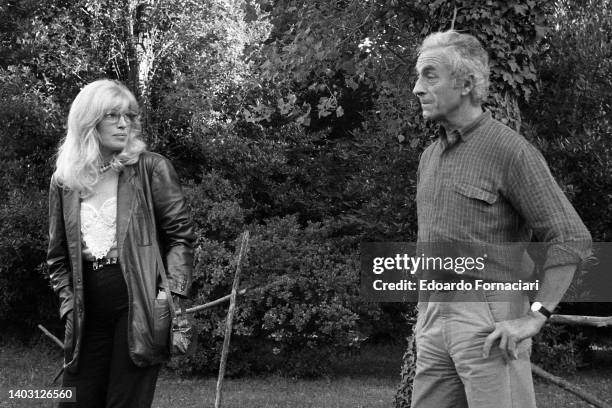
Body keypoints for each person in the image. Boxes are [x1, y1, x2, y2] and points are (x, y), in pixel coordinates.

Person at [410, 30, 592, 408]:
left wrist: (535, 316)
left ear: (466, 84)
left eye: (429, 75)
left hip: (491, 319)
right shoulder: (429, 157)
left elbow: (571, 237)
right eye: (418, 76)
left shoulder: (510, 151)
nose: (417, 88)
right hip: (432, 316)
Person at [47, 79, 195, 407]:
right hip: (86, 309)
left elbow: (181, 239)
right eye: (113, 115)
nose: (124, 123)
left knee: (124, 402)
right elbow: (57, 257)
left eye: (129, 115)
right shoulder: (65, 180)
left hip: (139, 304)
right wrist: (68, 306)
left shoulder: (151, 168)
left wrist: (166, 297)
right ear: (89, 121)